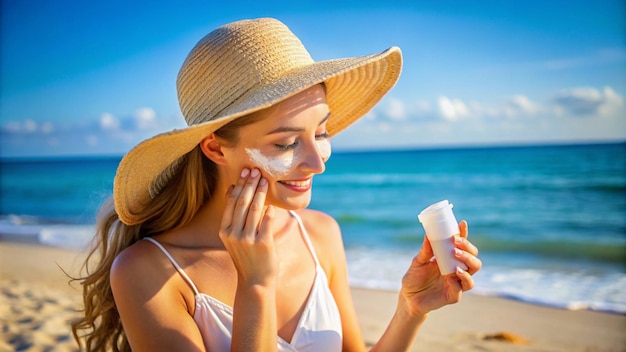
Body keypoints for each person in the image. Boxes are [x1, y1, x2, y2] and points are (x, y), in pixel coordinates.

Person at [71, 17, 481, 352]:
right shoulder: (148, 272)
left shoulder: (321, 235)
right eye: (285, 143)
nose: (318, 162)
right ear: (214, 149)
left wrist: (410, 310)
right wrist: (256, 285)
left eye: (321, 133)